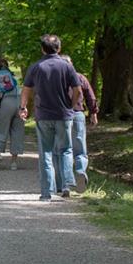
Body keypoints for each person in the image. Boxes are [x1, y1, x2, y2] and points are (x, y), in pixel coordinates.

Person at [19, 34, 82, 200]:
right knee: (66, 149)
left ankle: (46, 192)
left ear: (42, 49)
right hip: (64, 115)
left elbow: (26, 90)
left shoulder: (35, 67)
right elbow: (77, 90)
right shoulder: (67, 66)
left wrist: (23, 108)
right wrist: (71, 105)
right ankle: (67, 184)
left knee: (45, 152)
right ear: (59, 48)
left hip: (43, 115)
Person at [53, 55, 98, 193]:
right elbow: (90, 97)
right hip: (78, 114)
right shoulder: (80, 77)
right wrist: (93, 113)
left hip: (60, 116)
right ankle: (80, 171)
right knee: (80, 149)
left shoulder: (55, 79)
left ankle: (63, 185)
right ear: (71, 64)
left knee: (61, 150)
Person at [0, 59, 25, 171]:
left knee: (1, 128)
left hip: (7, 102)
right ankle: (14, 162)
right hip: (18, 101)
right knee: (17, 131)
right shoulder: (12, 74)